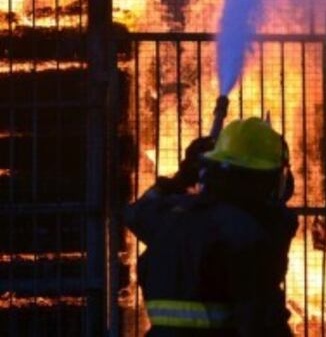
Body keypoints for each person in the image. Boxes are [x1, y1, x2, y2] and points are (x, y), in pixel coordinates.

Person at [125, 117, 298, 335]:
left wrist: (180, 178)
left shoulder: (175, 215)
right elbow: (262, 322)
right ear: (265, 178)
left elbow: (137, 212)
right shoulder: (247, 233)